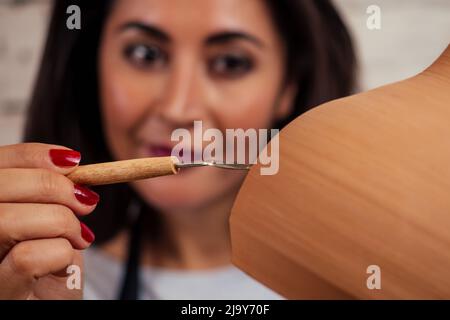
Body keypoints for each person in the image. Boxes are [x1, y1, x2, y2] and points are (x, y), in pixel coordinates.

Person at [0, 0, 356, 299]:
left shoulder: (362, 280)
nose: (177, 107)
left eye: (230, 62)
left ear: (289, 86)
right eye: (145, 53)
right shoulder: (40, 281)